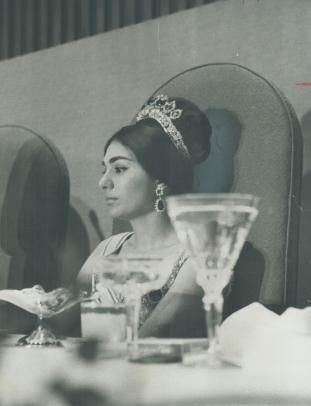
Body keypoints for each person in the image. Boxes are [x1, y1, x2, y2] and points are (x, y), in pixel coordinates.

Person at [77, 94, 264, 338]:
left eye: (119, 169)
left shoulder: (201, 251)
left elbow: (151, 339)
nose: (103, 182)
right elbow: (55, 320)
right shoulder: (107, 248)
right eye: (105, 170)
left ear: (160, 176)